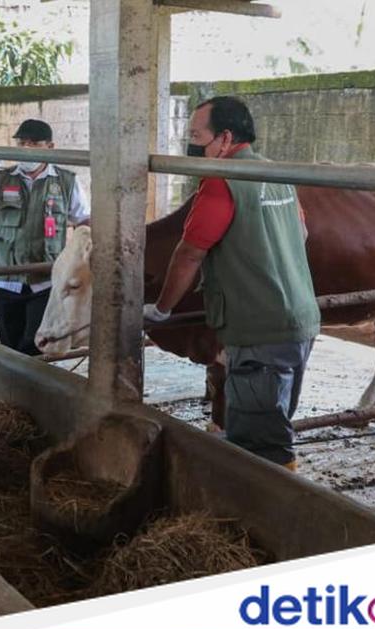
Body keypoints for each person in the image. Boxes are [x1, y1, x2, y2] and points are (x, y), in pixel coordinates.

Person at [143, 96, 318, 471]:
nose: (190, 145)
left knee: (262, 447)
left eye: (195, 135)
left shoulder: (221, 181)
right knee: (274, 422)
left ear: (224, 138)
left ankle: (266, 515)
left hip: (258, 330)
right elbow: (300, 233)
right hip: (299, 321)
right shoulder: (277, 173)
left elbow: (190, 254)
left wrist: (162, 308)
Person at [0, 119, 91, 356]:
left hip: (44, 281)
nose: (26, 148)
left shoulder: (66, 182)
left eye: (34, 143)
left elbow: (84, 220)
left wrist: (80, 260)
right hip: (5, 278)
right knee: (9, 345)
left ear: (50, 146)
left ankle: (33, 390)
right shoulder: (0, 179)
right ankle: (14, 391)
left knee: (35, 345)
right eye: (21, 142)